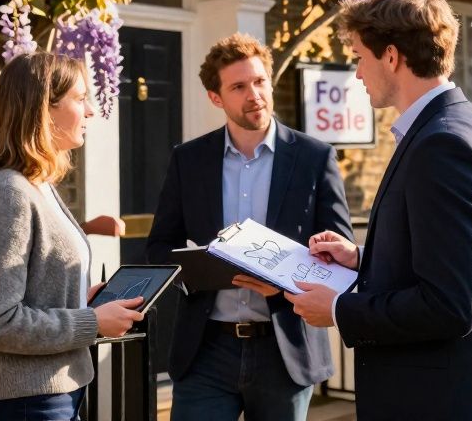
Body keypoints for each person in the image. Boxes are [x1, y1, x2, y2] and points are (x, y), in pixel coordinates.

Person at [285, 0, 472, 421]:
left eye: (359, 56)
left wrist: (338, 308)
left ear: (391, 56)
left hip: (440, 402)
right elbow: (444, 260)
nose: (357, 73)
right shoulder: (464, 128)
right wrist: (360, 259)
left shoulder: (443, 145)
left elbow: (449, 305)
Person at [146, 33, 354, 421]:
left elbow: (338, 255)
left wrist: (284, 283)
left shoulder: (315, 158)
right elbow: (160, 246)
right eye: (239, 86)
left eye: (259, 82)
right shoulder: (188, 161)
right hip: (205, 348)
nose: (254, 94)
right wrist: (202, 271)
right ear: (216, 98)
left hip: (286, 349)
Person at [0, 52, 145, 421]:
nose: (92, 110)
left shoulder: (36, 185)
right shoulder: (8, 193)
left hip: (54, 396)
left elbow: (33, 294)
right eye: (80, 99)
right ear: (43, 110)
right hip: (26, 405)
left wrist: (82, 304)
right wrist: (92, 323)